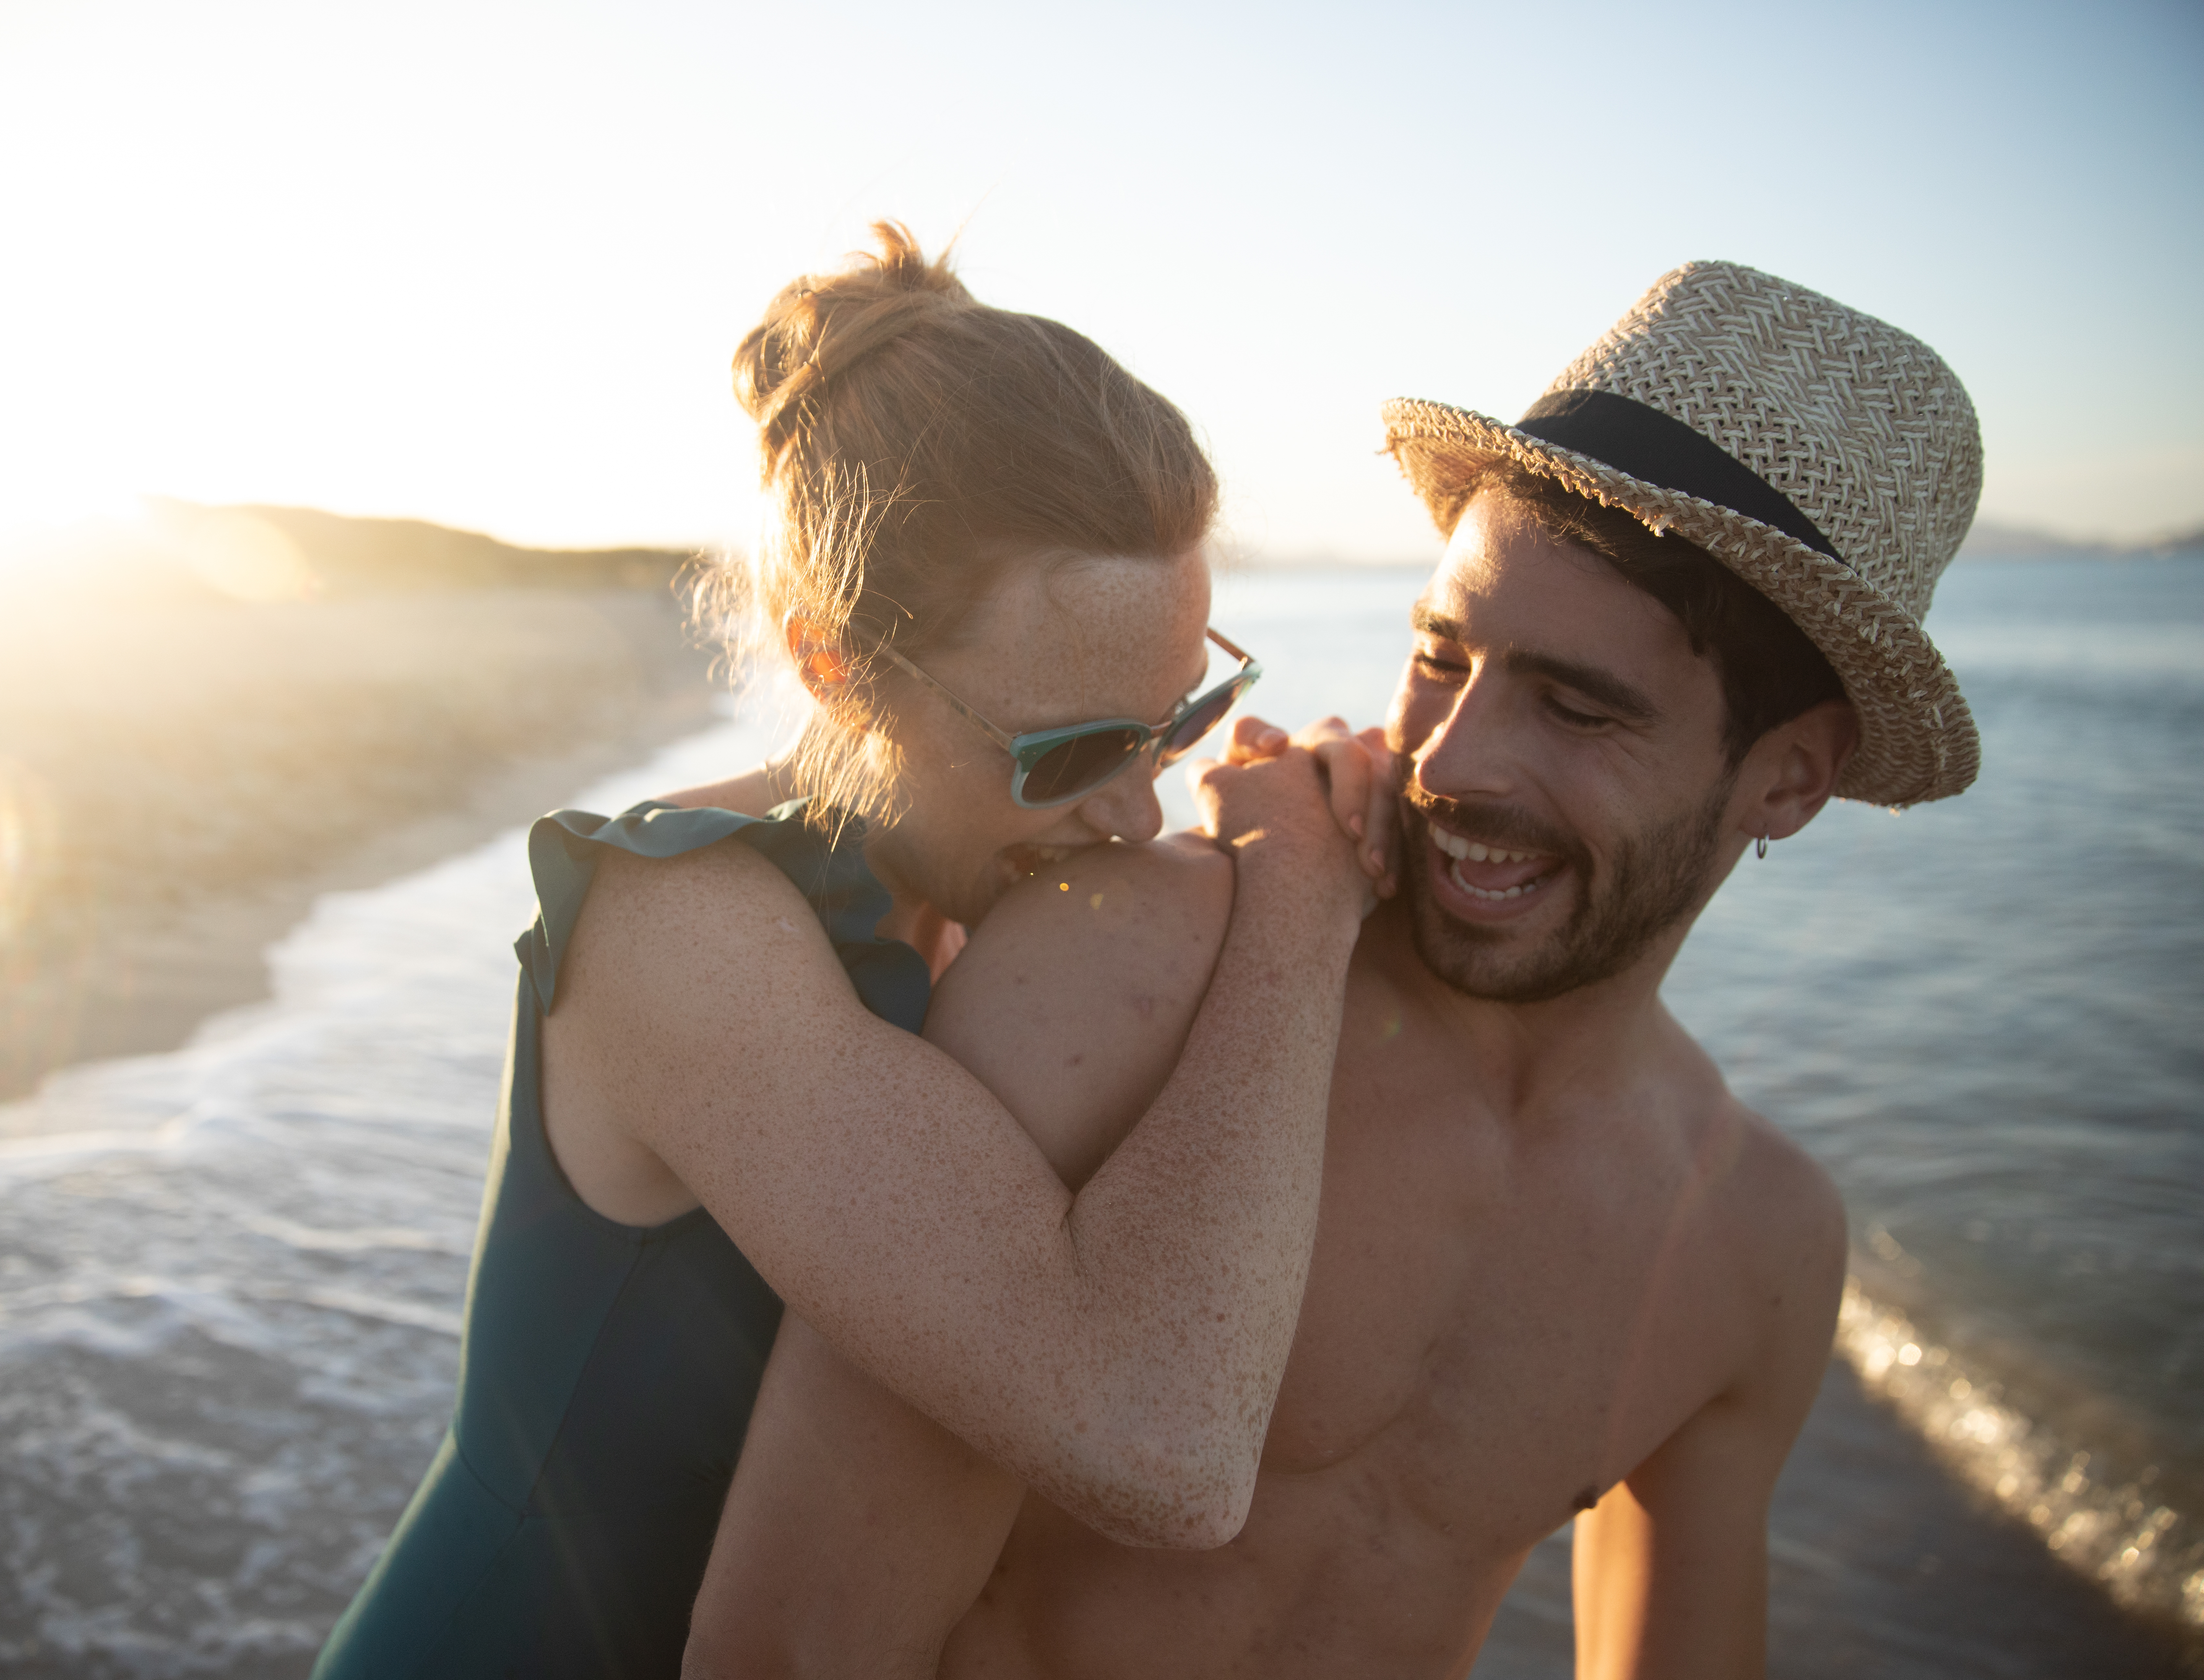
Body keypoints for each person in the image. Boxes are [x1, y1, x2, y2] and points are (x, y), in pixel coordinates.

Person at [687, 261, 1984, 1677]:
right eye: (1440, 654)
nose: (1452, 757)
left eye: (1573, 707)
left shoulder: (1754, 1242)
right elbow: (795, 1640)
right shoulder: (1132, 967)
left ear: (1786, 778)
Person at [310, 226, 1390, 1680]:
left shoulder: (984, 895)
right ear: (832, 662)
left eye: (1179, 716)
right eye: (1067, 748)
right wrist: (1299, 909)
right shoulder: (677, 925)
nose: (1136, 810)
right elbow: (1164, 1449)